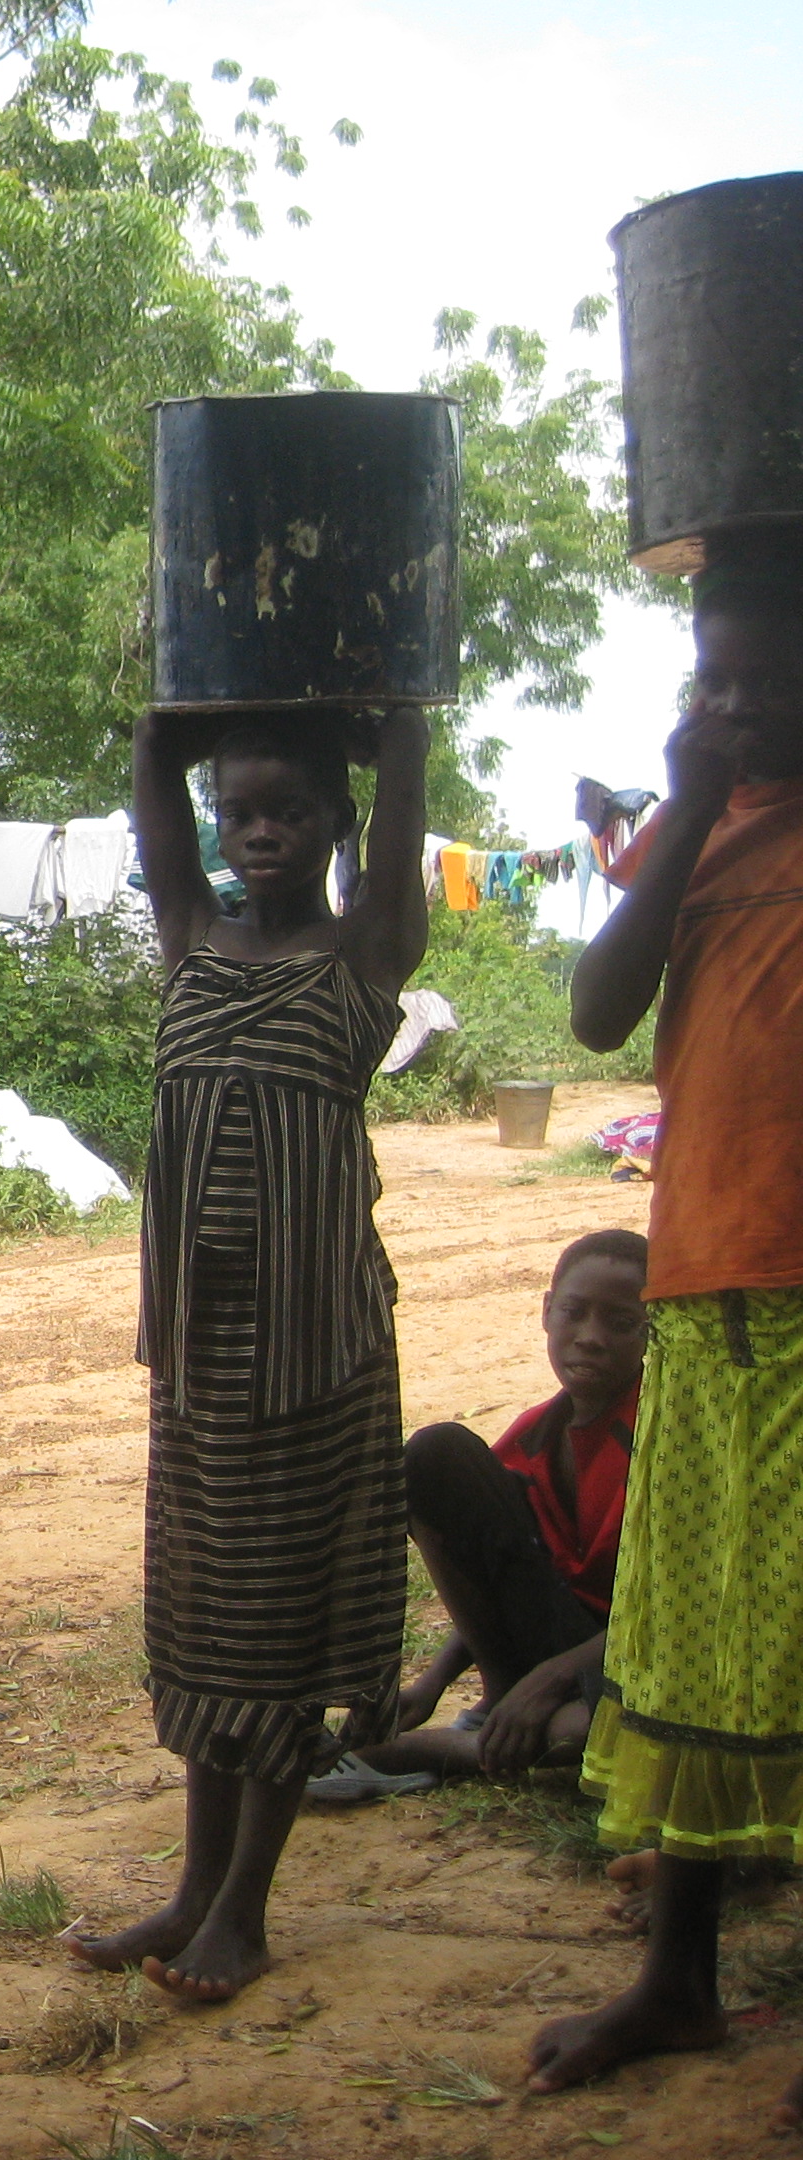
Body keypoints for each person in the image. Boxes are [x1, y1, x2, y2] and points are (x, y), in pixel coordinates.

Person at [66, 701, 429, 2002]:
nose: (261, 833)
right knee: (206, 1629)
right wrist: (215, 698)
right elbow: (156, 757)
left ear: (336, 823)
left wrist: (380, 728)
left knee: (276, 1636)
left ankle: (248, 1912)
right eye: (243, 813)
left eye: (290, 812)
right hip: (202, 1364)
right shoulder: (189, 940)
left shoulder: (367, 954)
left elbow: (400, 781)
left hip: (314, 1354)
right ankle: (190, 1893)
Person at [523, 541, 803, 2126]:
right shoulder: (699, 838)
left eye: (775, 679)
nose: (745, 707)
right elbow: (593, 1010)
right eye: (720, 681)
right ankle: (680, 1975)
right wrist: (690, 802)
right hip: (706, 1298)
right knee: (695, 1629)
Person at [315, 1229, 648, 1798]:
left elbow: (669, 1606)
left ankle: (448, 1750)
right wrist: (433, 1682)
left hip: (638, 1650)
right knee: (436, 1453)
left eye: (620, 1323)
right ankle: (499, 1704)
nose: (590, 1338)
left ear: (655, 1331)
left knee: (586, 1730)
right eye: (574, 1313)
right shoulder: (533, 1436)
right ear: (546, 1312)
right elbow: (500, 1561)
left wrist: (554, 1677)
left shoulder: (660, 1436)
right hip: (558, 1637)